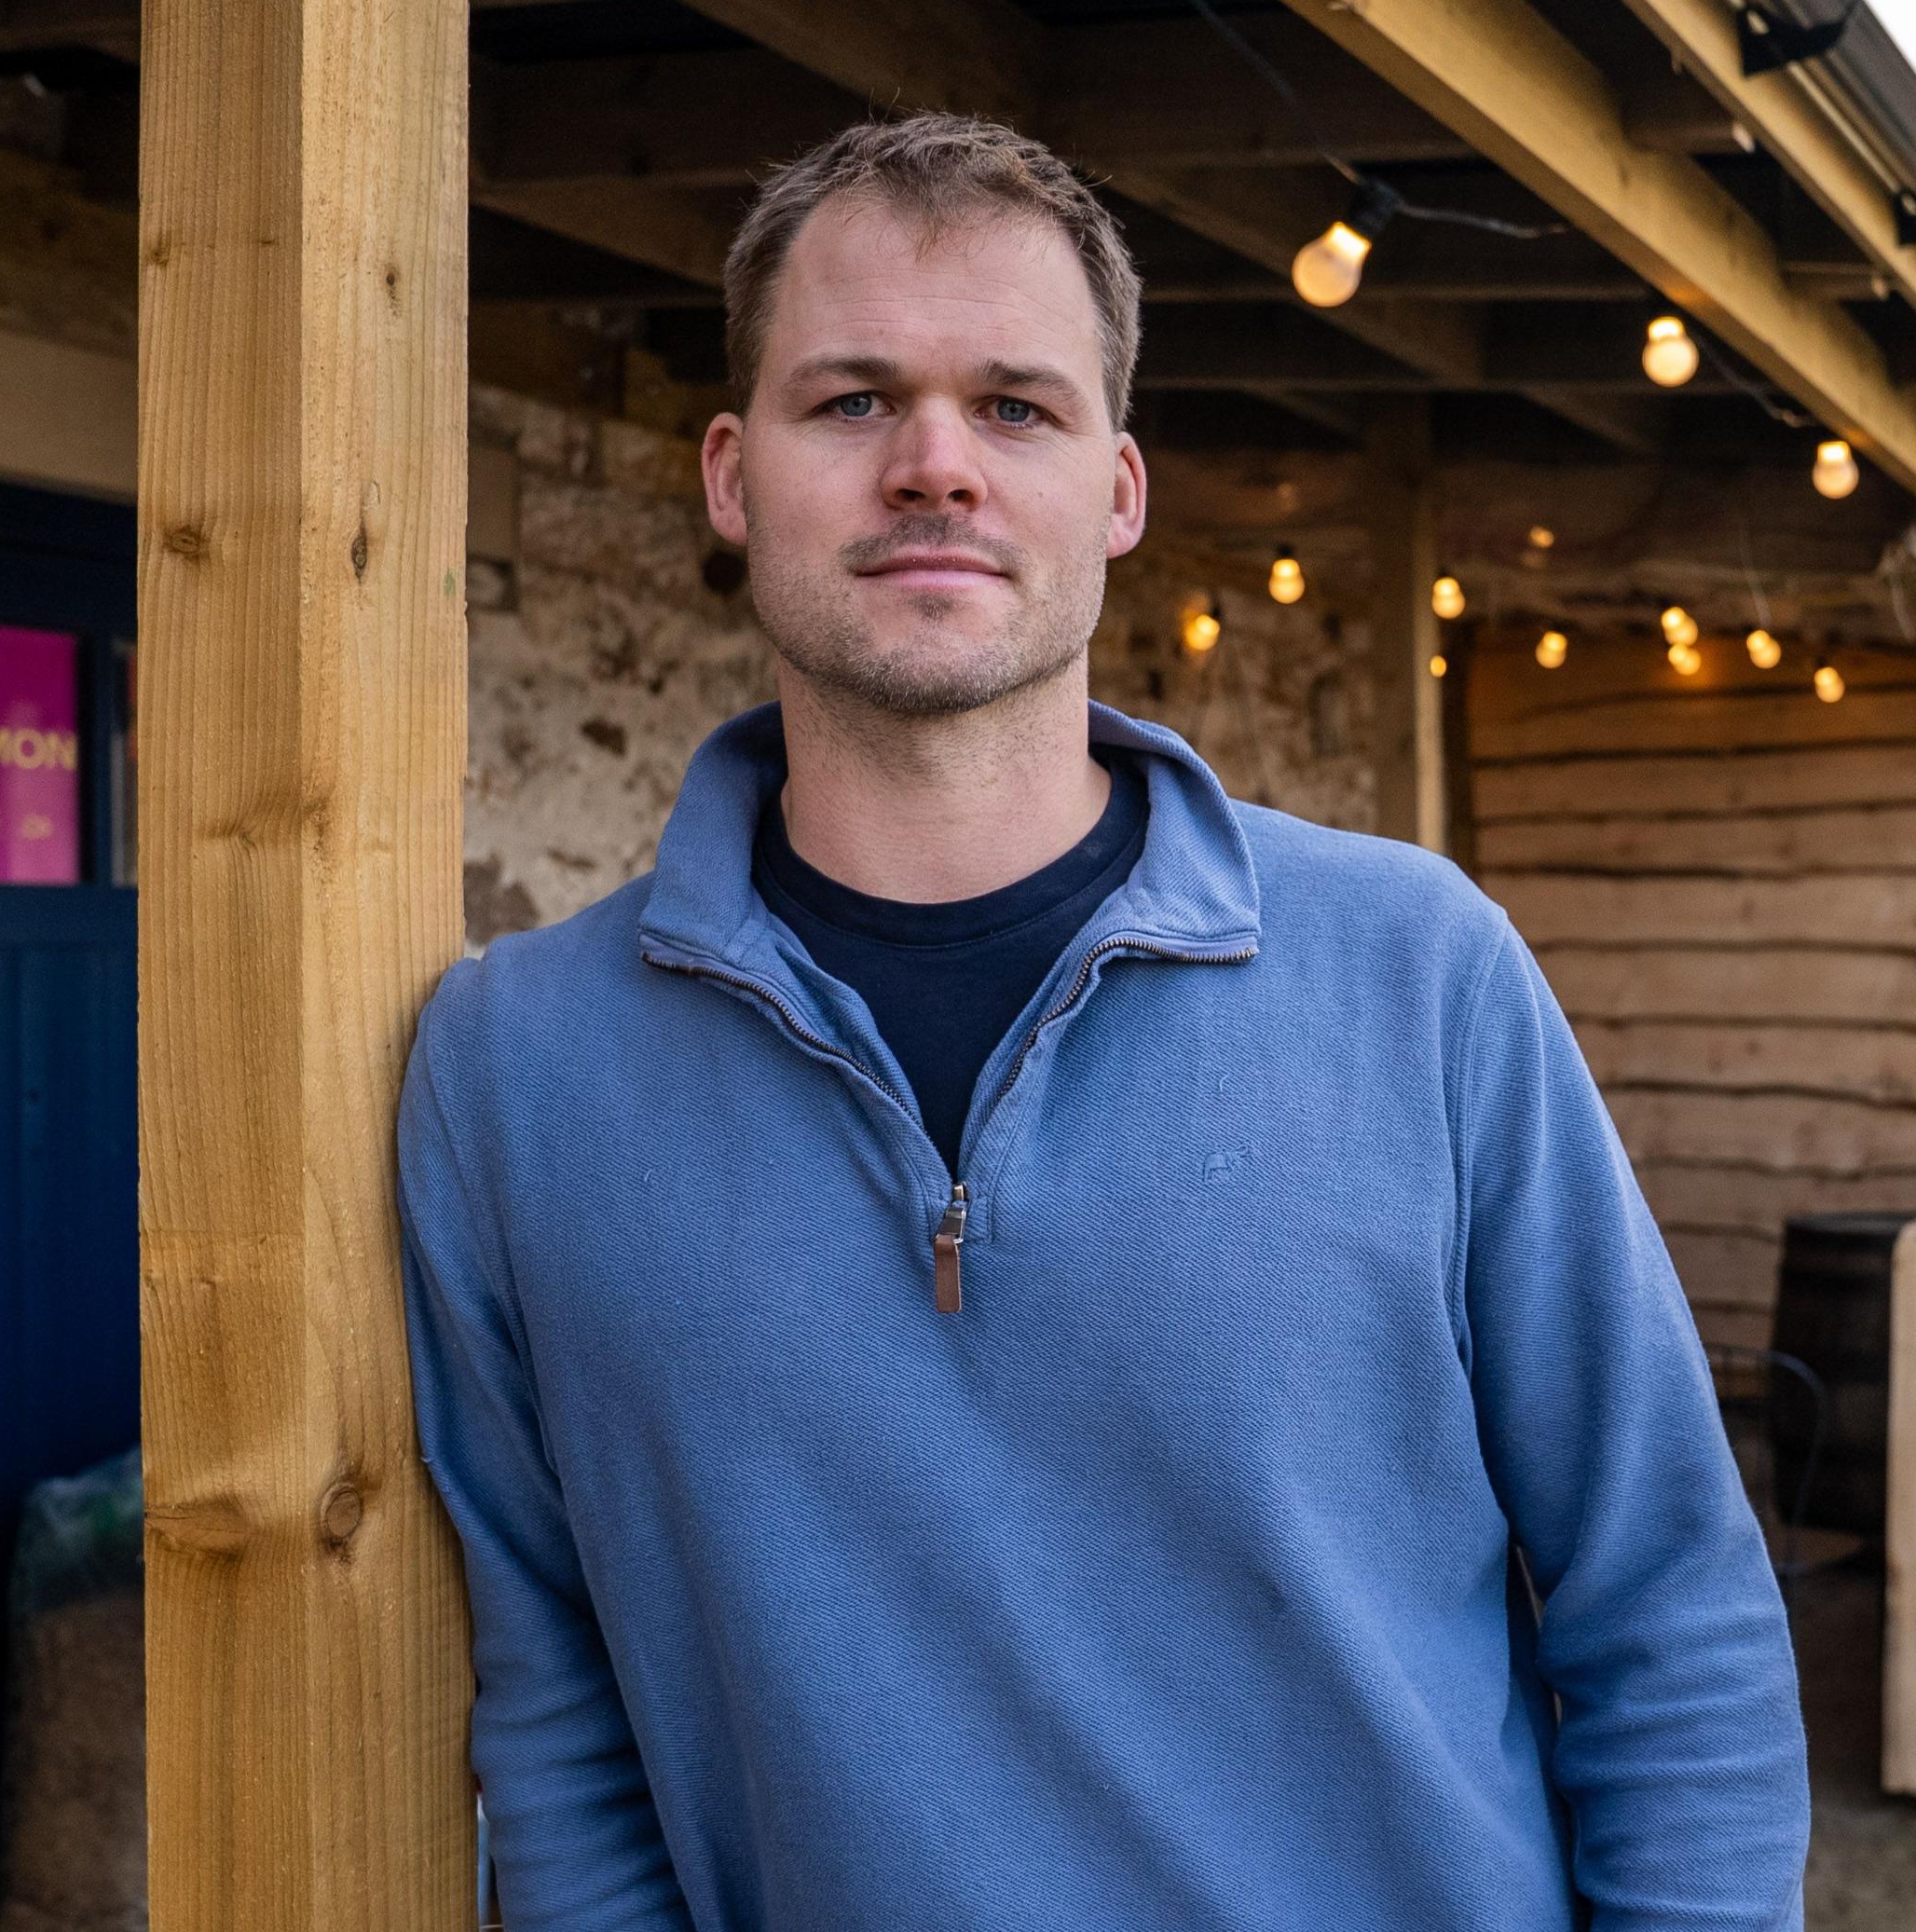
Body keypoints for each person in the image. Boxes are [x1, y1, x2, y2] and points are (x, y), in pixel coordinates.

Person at [396, 113, 1808, 1931]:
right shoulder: (516, 1069)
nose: (934, 468)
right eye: (851, 403)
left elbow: (1667, 1600)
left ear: (1119, 490)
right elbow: (564, 1708)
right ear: (731, 475)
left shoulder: (1419, 971)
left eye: (1015, 407)